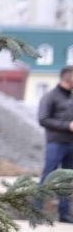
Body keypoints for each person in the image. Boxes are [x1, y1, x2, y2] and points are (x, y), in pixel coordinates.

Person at [37, 66, 73, 223]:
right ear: (68, 78)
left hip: (71, 144)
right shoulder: (50, 96)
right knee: (48, 176)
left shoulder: (71, 96)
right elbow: (43, 119)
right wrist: (67, 126)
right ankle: (36, 212)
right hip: (55, 143)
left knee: (67, 180)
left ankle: (64, 213)